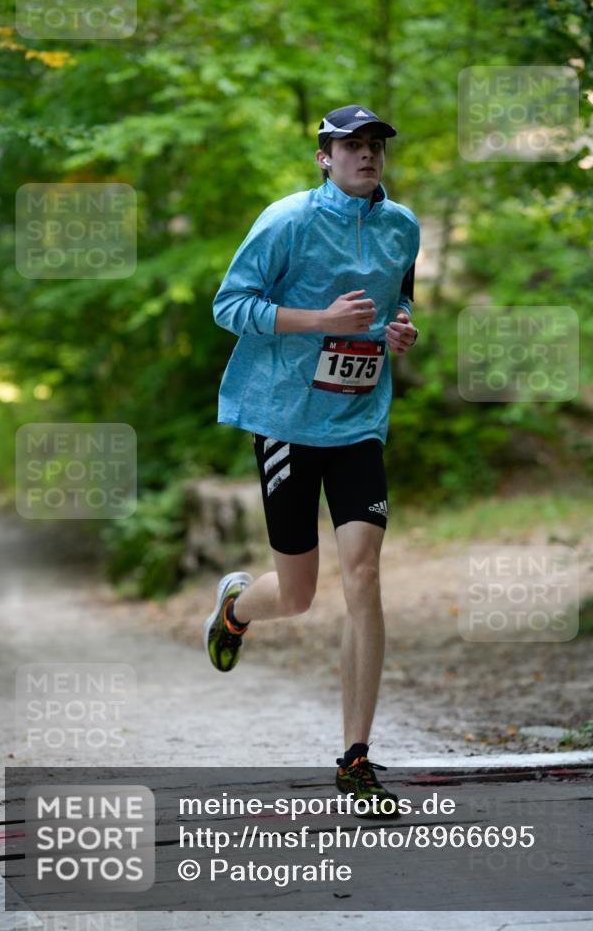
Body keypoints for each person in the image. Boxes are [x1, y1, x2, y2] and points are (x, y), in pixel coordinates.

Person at [205, 104, 419, 812]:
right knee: (297, 596)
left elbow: (399, 300)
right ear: (322, 156)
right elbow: (229, 305)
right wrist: (319, 322)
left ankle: (355, 759)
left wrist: (398, 331)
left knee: (363, 574)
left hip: (357, 421)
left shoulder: (402, 226)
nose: (365, 155)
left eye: (373, 146)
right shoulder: (288, 220)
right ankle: (238, 606)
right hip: (284, 417)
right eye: (349, 146)